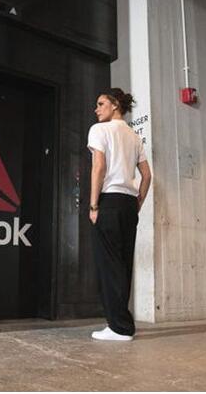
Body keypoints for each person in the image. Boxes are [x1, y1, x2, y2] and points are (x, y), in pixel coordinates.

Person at [87, 88, 152, 341]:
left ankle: (118, 327)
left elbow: (99, 167)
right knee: (123, 265)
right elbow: (147, 175)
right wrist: (138, 203)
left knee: (109, 266)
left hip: (109, 202)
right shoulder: (134, 137)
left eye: (100, 103)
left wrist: (94, 206)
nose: (96, 109)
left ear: (115, 105)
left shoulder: (99, 130)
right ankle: (121, 324)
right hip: (128, 205)